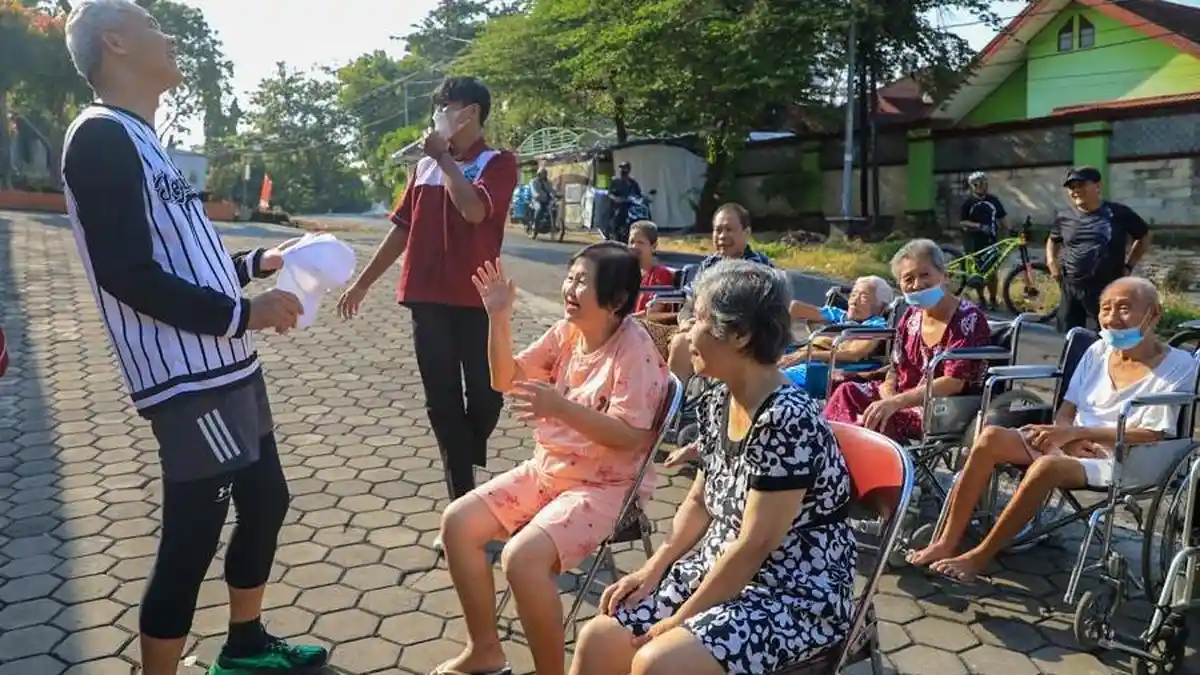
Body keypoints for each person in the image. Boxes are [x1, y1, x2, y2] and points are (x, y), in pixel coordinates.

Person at [60, 2, 328, 673]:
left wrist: (256, 264)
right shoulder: (99, 137)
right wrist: (244, 315)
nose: (169, 36)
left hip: (229, 365)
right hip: (187, 380)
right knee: (192, 535)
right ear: (115, 42)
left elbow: (185, 260)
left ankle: (245, 644)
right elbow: (127, 273)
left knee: (267, 499)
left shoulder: (143, 138)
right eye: (152, 25)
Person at [570, 260, 856, 675]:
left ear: (740, 335)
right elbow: (701, 500)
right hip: (719, 569)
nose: (686, 330)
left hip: (791, 595)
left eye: (700, 317)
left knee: (656, 662)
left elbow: (754, 545)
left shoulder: (786, 420)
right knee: (600, 638)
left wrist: (679, 621)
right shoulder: (718, 398)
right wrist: (654, 567)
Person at [436, 244, 669, 675]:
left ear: (617, 299)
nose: (570, 288)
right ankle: (485, 650)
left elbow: (630, 438)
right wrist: (498, 317)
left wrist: (560, 407)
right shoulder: (567, 333)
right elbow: (503, 378)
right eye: (570, 277)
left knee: (522, 559)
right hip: (550, 469)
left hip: (606, 486)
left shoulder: (635, 350)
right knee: (457, 522)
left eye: (583, 282)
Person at [907, 277, 1197, 583]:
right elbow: (1067, 409)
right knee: (991, 437)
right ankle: (946, 542)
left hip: (1124, 457)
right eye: (1106, 308)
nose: (1112, 318)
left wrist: (1075, 435)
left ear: (1154, 313)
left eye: (1124, 308)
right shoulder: (1098, 351)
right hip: (1072, 442)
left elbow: (1151, 433)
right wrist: (1065, 435)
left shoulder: (1179, 365)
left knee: (1047, 466)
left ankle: (979, 557)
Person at [337, 77, 519, 506]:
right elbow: (402, 229)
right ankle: (462, 500)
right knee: (442, 401)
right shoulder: (423, 168)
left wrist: (445, 160)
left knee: (488, 394)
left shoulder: (498, 163)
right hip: (427, 297)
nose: (437, 116)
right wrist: (362, 283)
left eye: (444, 107)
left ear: (469, 113)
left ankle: (465, 450)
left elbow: (474, 211)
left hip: (478, 298)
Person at [824, 239, 991, 441]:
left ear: (945, 276)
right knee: (846, 391)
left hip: (937, 408)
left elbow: (954, 382)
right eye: (908, 279)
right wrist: (888, 393)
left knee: (873, 422)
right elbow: (896, 368)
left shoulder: (967, 319)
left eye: (925, 275)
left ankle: (853, 451)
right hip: (900, 397)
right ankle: (831, 449)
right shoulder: (911, 316)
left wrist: (895, 403)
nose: (917, 285)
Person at [664, 203, 773, 383]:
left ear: (746, 232)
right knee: (642, 332)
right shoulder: (709, 264)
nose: (722, 236)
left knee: (681, 344)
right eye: (718, 230)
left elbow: (748, 318)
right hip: (700, 328)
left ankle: (675, 399)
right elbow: (690, 302)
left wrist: (701, 329)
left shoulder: (757, 268)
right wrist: (685, 322)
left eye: (729, 230)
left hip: (737, 337)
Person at [1048, 166, 1151, 333]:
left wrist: (1129, 266)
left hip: (1105, 289)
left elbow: (1144, 237)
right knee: (1069, 336)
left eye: (1081, 185)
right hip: (1070, 287)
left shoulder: (1118, 213)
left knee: (1102, 337)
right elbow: (1053, 240)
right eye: (1072, 187)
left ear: (1097, 186)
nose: (1076, 191)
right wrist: (1051, 261)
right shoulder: (1064, 217)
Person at [781, 276, 894, 397]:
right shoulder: (842, 316)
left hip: (823, 368)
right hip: (802, 359)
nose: (854, 301)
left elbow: (853, 354)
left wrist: (807, 355)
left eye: (864, 297)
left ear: (881, 307)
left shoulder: (875, 325)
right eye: (853, 294)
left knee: (773, 378)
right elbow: (795, 308)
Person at [959, 171, 1008, 310]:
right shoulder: (968, 203)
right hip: (973, 242)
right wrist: (978, 226)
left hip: (991, 240)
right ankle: (981, 299)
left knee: (992, 272)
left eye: (983, 183)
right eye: (977, 184)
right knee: (978, 272)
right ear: (972, 186)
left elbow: (1003, 219)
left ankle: (993, 299)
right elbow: (962, 222)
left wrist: (1009, 232)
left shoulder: (993, 200)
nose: (980, 186)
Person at [608, 161, 643, 242]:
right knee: (616, 220)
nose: (623, 170)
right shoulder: (615, 181)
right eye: (621, 168)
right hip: (618, 207)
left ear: (629, 170)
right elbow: (610, 194)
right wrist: (616, 199)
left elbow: (638, 194)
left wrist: (642, 199)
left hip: (631, 207)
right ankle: (615, 237)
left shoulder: (633, 183)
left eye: (625, 168)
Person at [531, 167, 556, 231]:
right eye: (542, 173)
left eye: (545, 173)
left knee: (553, 209)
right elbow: (533, 190)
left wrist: (557, 194)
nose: (544, 175)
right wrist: (536, 195)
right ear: (539, 174)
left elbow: (552, 190)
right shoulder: (533, 181)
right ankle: (534, 224)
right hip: (537, 200)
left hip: (546, 200)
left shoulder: (548, 182)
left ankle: (553, 224)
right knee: (539, 208)